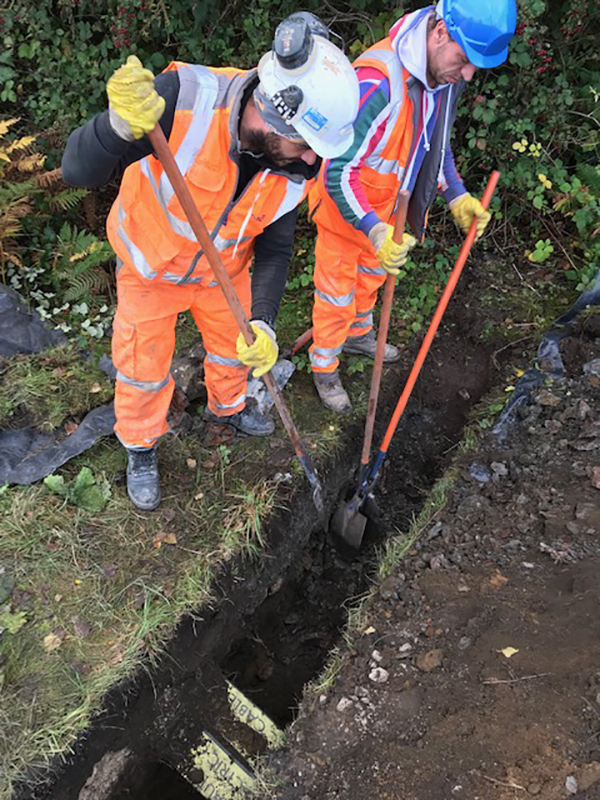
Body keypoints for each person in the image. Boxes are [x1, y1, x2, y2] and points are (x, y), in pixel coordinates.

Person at [62, 12, 359, 510]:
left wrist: (263, 322)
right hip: (150, 268)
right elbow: (76, 169)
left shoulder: (292, 168)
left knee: (234, 348)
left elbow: (276, 246)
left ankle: (229, 409)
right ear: (272, 116)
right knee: (142, 366)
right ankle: (140, 444)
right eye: (307, 146)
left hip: (224, 273)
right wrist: (114, 126)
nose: (313, 161)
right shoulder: (182, 99)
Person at [308, 0, 517, 413]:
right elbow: (335, 171)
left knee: (370, 278)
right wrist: (372, 228)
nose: (469, 74)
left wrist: (455, 192)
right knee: (336, 293)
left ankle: (358, 336)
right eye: (465, 59)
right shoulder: (376, 82)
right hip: (346, 211)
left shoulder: (440, 76)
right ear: (440, 33)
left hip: (388, 208)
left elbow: (432, 144)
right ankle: (324, 367)